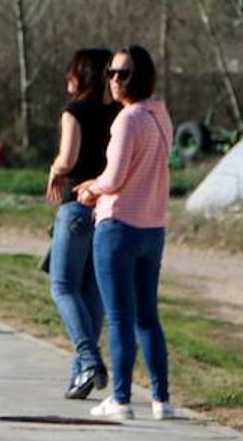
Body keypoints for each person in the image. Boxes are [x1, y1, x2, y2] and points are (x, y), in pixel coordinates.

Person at [75, 45, 175, 420]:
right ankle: (162, 400)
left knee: (119, 317)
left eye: (123, 73)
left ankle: (120, 399)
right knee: (148, 316)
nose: (115, 80)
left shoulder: (127, 120)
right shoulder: (160, 115)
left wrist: (90, 189)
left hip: (118, 228)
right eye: (111, 73)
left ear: (141, 76)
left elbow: (114, 178)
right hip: (153, 228)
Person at [47, 49, 118, 400]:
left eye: (71, 72)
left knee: (62, 287)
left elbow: (68, 158)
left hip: (76, 206)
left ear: (81, 76)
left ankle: (88, 360)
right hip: (106, 209)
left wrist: (54, 169)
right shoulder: (118, 113)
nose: (67, 78)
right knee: (92, 294)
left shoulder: (73, 111)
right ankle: (81, 374)